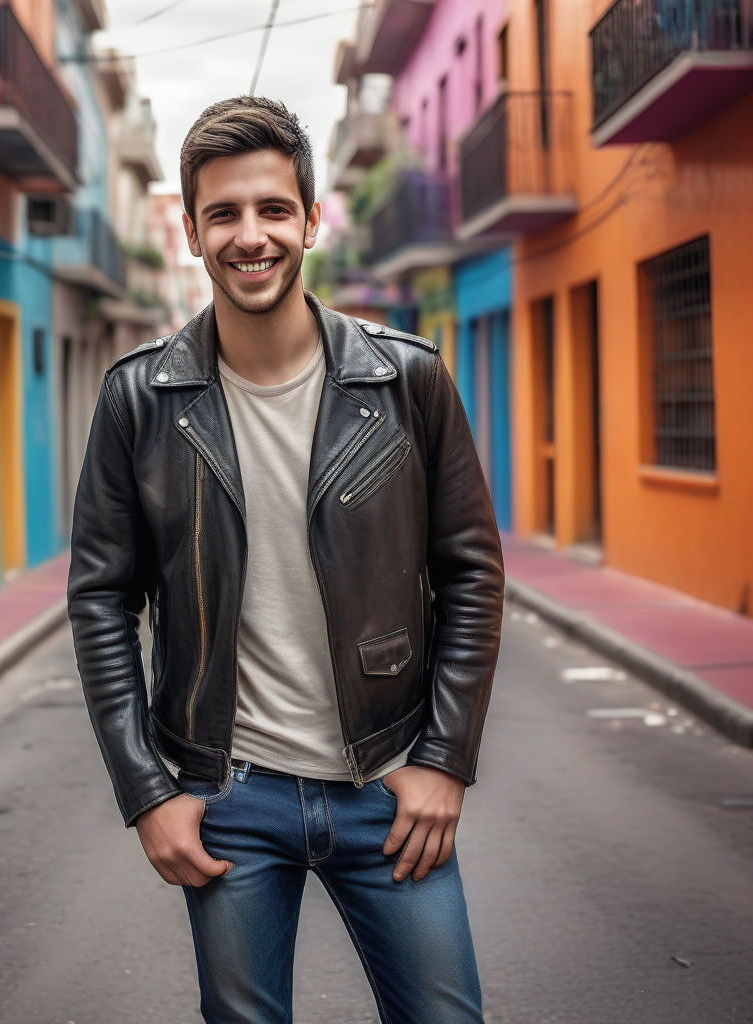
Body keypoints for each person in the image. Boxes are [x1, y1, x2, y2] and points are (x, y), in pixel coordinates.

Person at [67, 96, 504, 1024]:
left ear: (311, 218)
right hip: (226, 793)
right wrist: (149, 791)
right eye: (223, 213)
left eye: (273, 209)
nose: (250, 235)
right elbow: (102, 601)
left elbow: (470, 572)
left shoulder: (406, 376)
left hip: (388, 786)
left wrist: (444, 759)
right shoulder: (138, 400)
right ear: (190, 231)